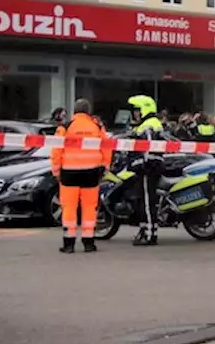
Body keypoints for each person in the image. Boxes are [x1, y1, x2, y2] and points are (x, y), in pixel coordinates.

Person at [51, 99, 113, 254]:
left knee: (69, 208)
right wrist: (105, 166)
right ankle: (89, 242)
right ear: (88, 111)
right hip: (91, 172)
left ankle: (69, 243)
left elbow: (56, 150)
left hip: (69, 172)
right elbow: (107, 147)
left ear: (75, 111)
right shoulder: (97, 127)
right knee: (89, 207)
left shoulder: (65, 127)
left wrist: (56, 170)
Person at [128, 94, 166, 246]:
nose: (135, 113)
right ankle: (144, 230)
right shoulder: (149, 123)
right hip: (147, 166)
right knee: (142, 200)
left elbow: (150, 146)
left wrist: (144, 163)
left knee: (147, 201)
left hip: (148, 167)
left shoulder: (149, 124)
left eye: (137, 110)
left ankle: (151, 234)